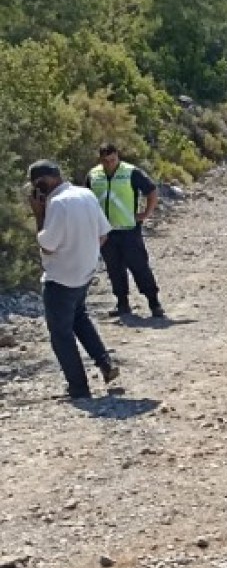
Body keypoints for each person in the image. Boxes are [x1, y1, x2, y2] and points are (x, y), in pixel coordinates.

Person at [27, 160, 119, 399]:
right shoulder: (85, 193)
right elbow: (103, 234)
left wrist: (39, 215)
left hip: (61, 278)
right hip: (85, 272)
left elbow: (47, 245)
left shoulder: (57, 203)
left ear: (44, 181)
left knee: (61, 335)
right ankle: (105, 363)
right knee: (79, 318)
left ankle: (79, 388)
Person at [86, 143, 164, 318]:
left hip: (128, 230)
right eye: (105, 161)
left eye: (112, 160)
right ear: (100, 159)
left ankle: (154, 302)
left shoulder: (131, 172)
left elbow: (151, 191)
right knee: (114, 268)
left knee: (139, 266)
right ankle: (122, 304)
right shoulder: (93, 175)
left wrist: (145, 213)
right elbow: (87, 199)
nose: (109, 164)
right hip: (106, 231)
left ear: (117, 157)